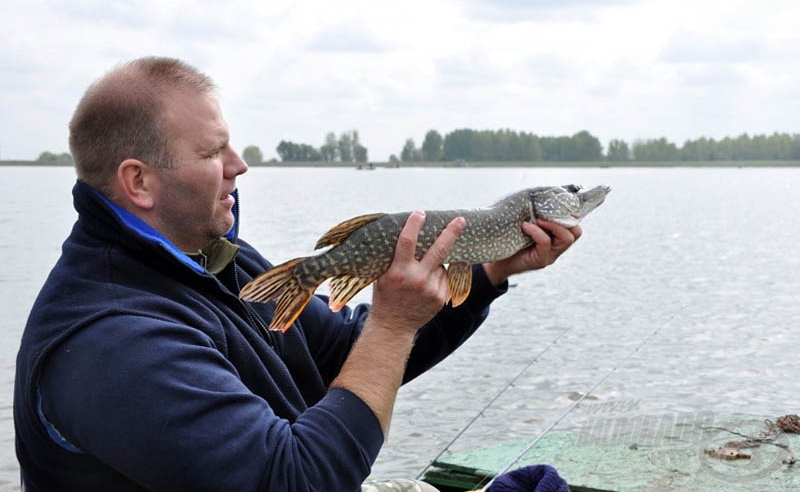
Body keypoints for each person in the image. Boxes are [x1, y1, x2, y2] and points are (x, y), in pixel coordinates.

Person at [13, 56, 582, 492]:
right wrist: (391, 328)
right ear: (138, 182)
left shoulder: (211, 260)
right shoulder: (113, 339)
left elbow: (338, 356)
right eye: (214, 152)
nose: (240, 165)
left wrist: (487, 271)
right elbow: (296, 481)